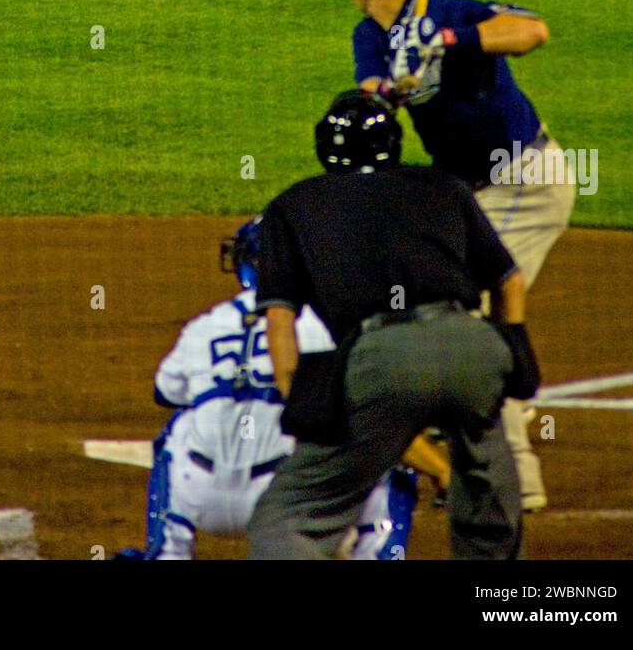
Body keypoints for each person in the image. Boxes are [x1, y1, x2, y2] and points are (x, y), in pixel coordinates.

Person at [334, 0, 575, 512]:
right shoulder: (370, 35)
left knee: (481, 329)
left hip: (522, 180)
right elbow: (372, 94)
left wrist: (448, 39)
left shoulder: (449, 9)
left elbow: (531, 31)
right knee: (431, 297)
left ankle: (515, 480)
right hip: (471, 194)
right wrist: (398, 80)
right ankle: (452, 415)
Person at [247, 90, 537, 561]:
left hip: (382, 360)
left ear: (325, 146)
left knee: (293, 513)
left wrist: (296, 395)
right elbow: (509, 281)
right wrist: (514, 347)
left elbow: (280, 319)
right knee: (488, 493)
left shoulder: (293, 205)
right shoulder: (443, 185)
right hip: (471, 348)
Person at [115, 218, 446, 560]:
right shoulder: (326, 326)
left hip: (201, 497)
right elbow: (374, 418)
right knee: (385, 451)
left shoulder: (205, 324)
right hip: (286, 499)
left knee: (177, 427)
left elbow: (165, 392)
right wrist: (441, 469)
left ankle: (166, 551)